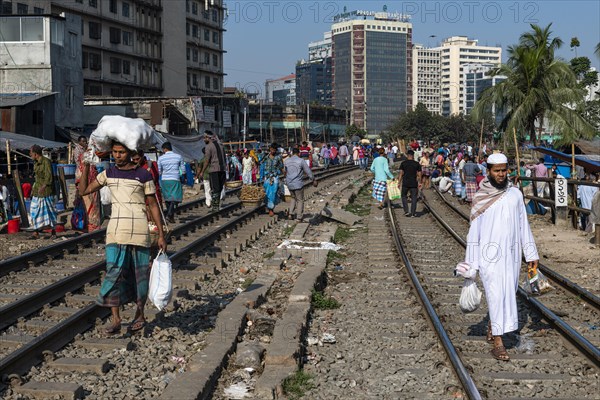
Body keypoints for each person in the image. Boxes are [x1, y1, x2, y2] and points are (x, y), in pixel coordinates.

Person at [79, 140, 167, 335]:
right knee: (114, 273)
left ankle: (140, 313)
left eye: (121, 152)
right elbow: (84, 190)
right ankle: (116, 318)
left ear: (130, 153)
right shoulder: (108, 173)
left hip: (139, 231)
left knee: (140, 275)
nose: (117, 155)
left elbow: (153, 205)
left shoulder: (143, 175)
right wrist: (86, 166)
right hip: (116, 231)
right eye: (115, 152)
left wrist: (161, 234)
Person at [461, 153, 539, 361]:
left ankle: (492, 325)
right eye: (497, 170)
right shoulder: (480, 197)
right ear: (488, 171)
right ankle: (498, 342)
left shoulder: (515, 194)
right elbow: (474, 233)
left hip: (512, 255)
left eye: (504, 170)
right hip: (489, 255)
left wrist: (531, 253)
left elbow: (523, 225)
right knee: (495, 294)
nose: (501, 174)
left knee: (507, 293)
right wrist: (471, 263)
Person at [28, 145, 57, 240]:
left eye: (31, 153)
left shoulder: (46, 162)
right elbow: (36, 177)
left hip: (46, 191)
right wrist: (33, 189)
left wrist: (44, 186)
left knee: (49, 211)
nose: (30, 154)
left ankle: (53, 231)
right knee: (34, 210)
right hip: (37, 190)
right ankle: (35, 232)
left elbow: (49, 177)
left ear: (36, 154)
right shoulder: (35, 163)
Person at [284, 147, 317, 222]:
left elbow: (285, 171)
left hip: (289, 183)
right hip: (298, 183)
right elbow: (308, 171)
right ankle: (299, 217)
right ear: (299, 153)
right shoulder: (301, 161)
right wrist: (313, 179)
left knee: (293, 198)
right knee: (300, 200)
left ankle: (291, 214)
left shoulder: (287, 161)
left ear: (292, 153)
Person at [198, 131, 226, 212]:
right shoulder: (221, 145)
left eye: (204, 138)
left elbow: (207, 160)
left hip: (214, 170)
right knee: (219, 188)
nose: (204, 140)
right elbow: (224, 158)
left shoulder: (208, 147)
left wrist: (202, 171)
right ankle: (216, 205)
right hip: (222, 169)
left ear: (208, 137)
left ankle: (215, 207)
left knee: (214, 188)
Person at [157, 142, 185, 224]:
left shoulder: (161, 158)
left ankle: (170, 216)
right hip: (175, 179)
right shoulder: (178, 157)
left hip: (165, 180)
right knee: (175, 198)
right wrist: (183, 176)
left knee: (167, 198)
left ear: (165, 149)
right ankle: (169, 215)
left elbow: (159, 171)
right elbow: (183, 170)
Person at [398, 150, 422, 217]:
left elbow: (401, 173)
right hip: (414, 183)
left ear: (407, 155)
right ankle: (413, 213)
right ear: (413, 155)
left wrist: (399, 182)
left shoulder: (403, 163)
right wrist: (420, 182)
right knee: (414, 197)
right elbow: (419, 174)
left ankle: (406, 211)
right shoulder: (417, 164)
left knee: (403, 196)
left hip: (405, 183)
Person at [262, 143, 284, 216]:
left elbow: (281, 166)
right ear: (270, 149)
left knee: (274, 192)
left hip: (275, 177)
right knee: (267, 192)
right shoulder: (266, 157)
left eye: (274, 150)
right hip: (267, 177)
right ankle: (269, 208)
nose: (272, 151)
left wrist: (283, 173)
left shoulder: (278, 157)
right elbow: (261, 164)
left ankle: (271, 208)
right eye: (271, 149)